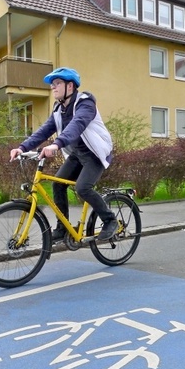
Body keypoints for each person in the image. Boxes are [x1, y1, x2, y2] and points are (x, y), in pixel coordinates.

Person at [9, 67, 117, 243]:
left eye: (57, 83)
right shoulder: (59, 109)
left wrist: (57, 144)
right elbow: (44, 130)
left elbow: (78, 124)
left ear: (70, 86)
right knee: (57, 185)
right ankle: (62, 229)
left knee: (83, 188)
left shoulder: (85, 103)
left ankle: (110, 220)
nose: (53, 87)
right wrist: (22, 147)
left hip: (95, 155)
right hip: (77, 155)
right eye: (52, 84)